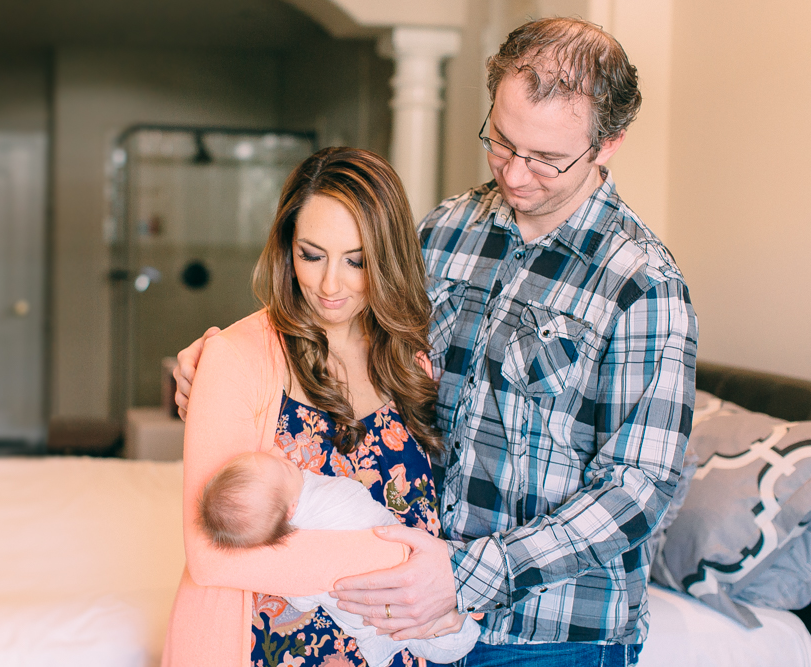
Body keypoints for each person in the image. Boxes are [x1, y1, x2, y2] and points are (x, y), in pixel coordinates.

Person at [174, 17, 699, 667]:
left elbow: (638, 489)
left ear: (608, 144)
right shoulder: (446, 231)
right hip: (419, 615)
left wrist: (463, 573)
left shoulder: (643, 284)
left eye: (545, 158)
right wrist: (227, 355)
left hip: (549, 632)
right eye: (501, 143)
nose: (515, 173)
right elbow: (346, 313)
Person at [162, 146, 469, 667]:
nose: (330, 285)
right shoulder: (234, 358)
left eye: (356, 261)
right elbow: (211, 554)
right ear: (287, 248)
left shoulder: (410, 357)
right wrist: (413, 566)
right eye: (312, 254)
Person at [197, 450, 481, 667]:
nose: (283, 456)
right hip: (399, 586)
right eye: (284, 466)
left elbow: (303, 599)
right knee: (446, 638)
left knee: (434, 632)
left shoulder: (297, 535)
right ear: (290, 510)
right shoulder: (321, 507)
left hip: (395, 595)